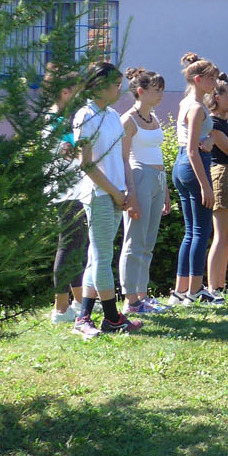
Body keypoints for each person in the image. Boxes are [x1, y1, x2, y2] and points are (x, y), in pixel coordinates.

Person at [71, 62, 141, 336]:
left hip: (116, 194)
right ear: (99, 86)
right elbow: (86, 164)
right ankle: (112, 317)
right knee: (102, 256)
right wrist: (114, 191)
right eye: (115, 84)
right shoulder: (85, 115)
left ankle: (83, 318)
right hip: (99, 194)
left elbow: (122, 158)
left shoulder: (112, 115)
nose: (119, 90)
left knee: (97, 255)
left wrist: (128, 191)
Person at [118, 68, 172, 317]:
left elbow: (157, 155)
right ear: (140, 91)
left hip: (157, 180)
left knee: (148, 243)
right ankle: (131, 300)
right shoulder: (128, 120)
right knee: (134, 241)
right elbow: (123, 159)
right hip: (139, 179)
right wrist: (131, 194)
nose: (160, 94)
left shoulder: (154, 118)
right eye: (156, 90)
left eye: (162, 90)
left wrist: (166, 191)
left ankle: (142, 296)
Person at [171, 52, 219, 306]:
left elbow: (193, 141)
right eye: (212, 79)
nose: (215, 83)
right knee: (201, 231)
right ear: (198, 79)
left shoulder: (186, 102)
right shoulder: (197, 107)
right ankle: (195, 291)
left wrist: (209, 139)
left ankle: (180, 291)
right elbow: (192, 150)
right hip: (193, 166)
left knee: (190, 232)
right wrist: (205, 186)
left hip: (181, 167)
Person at [44, 66, 86, 325]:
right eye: (78, 91)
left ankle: (79, 302)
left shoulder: (59, 117)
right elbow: (68, 152)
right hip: (65, 190)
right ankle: (61, 309)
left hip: (72, 189)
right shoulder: (56, 120)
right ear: (65, 92)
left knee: (77, 244)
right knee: (68, 245)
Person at [205, 73, 228, 302]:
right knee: (221, 236)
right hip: (221, 175)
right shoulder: (214, 124)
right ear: (217, 97)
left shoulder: (225, 123)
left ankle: (221, 284)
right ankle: (213, 287)